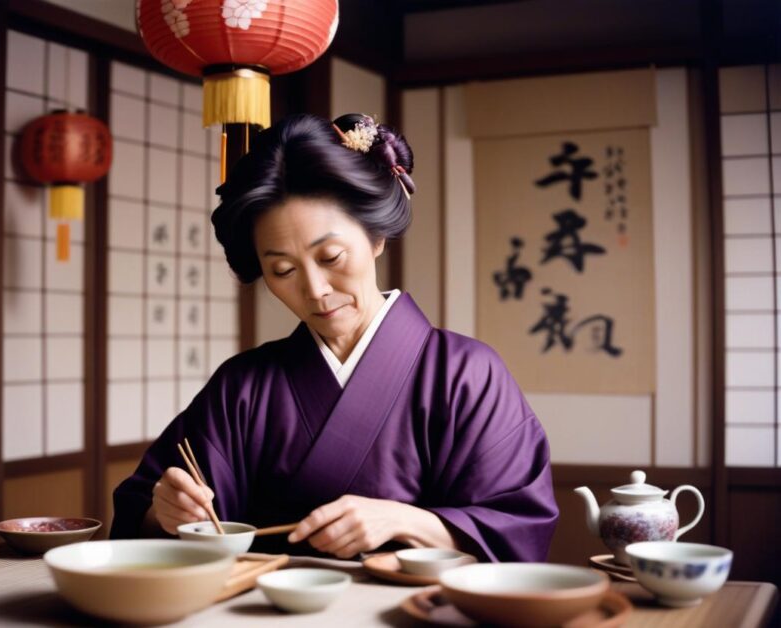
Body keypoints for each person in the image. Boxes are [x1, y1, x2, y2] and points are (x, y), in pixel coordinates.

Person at [110, 113, 559, 561]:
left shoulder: (465, 374)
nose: (315, 290)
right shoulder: (242, 386)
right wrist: (163, 512)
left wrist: (408, 521)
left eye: (331, 256)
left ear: (376, 235)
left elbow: (516, 528)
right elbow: (150, 521)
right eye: (282, 270)